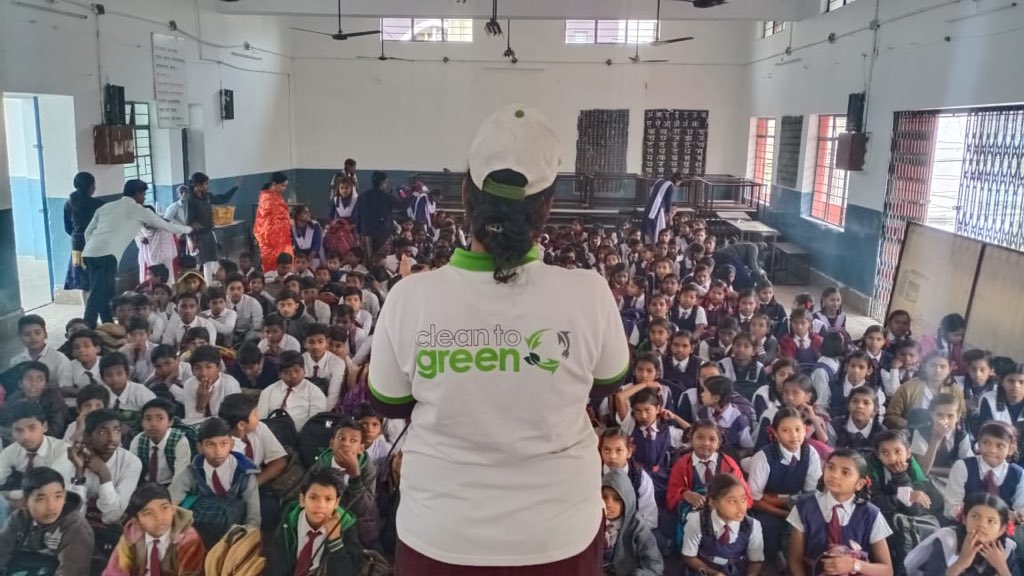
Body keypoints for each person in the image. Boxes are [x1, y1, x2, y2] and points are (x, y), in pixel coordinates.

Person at [369, 106, 630, 573]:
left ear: (465, 196)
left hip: (441, 534)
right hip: (558, 536)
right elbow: (604, 383)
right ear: (547, 207)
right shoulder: (588, 293)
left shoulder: (410, 297)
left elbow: (390, 403)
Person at [81, 180, 192, 327]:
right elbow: (166, 225)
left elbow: (87, 232)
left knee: (106, 290)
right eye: (144, 194)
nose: (144, 198)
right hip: (107, 255)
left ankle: (107, 321)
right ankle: (87, 324)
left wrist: (93, 247)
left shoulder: (106, 207)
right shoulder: (139, 210)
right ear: (137, 194)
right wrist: (189, 229)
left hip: (89, 253)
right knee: (99, 291)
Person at [787, 448, 893, 576]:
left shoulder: (871, 515)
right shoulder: (805, 507)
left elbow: (887, 571)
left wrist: (854, 564)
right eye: (830, 468)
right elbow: (795, 560)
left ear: (860, 484)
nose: (834, 475)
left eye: (845, 472)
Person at [265, 466, 364, 576]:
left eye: (328, 499)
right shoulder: (288, 523)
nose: (320, 505)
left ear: (336, 503)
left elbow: (347, 572)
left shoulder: (346, 527)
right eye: (313, 498)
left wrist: (335, 540)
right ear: (302, 500)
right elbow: (276, 566)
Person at [0, 467, 94, 576]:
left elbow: (71, 572)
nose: (51, 507)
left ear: (64, 497)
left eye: (58, 497)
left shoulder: (76, 527)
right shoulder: (18, 518)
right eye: (41, 499)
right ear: (25, 501)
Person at [102, 482, 207, 576]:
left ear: (173, 509)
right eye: (148, 513)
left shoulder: (188, 539)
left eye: (164, 508)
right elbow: (115, 571)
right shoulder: (131, 537)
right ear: (137, 521)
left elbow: (191, 573)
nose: (159, 518)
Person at [905, 492, 1016, 576]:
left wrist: (1002, 568)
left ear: (1001, 529)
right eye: (975, 516)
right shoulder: (947, 541)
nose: (982, 525)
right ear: (964, 519)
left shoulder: (1006, 549)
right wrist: (961, 562)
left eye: (991, 521)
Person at [680, 473, 764, 576]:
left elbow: (755, 561)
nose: (741, 507)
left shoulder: (752, 526)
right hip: (704, 570)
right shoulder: (697, 521)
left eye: (743, 499)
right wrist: (712, 573)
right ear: (714, 503)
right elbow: (689, 557)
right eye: (732, 501)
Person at [943, 421, 1024, 521]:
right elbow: (951, 507)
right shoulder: (963, 467)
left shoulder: (1018, 474)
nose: (992, 450)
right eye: (986, 443)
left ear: (1011, 449)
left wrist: (1015, 516)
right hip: (965, 524)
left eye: (1000, 446)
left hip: (1004, 526)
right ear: (979, 444)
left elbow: (1021, 509)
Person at [0, 401, 75, 501]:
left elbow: (49, 489)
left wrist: (7, 494)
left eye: (32, 428)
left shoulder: (62, 450)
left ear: (44, 427)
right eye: (18, 430)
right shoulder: (10, 451)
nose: (25, 436)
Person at [600, 469, 664, 576]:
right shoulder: (593, 522)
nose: (608, 504)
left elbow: (654, 566)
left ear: (627, 500)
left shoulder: (637, 526)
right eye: (604, 497)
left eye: (617, 499)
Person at [184, 172, 240, 284]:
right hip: (198, 236)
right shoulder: (190, 199)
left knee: (211, 260)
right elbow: (188, 221)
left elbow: (222, 199)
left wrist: (235, 187)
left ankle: (209, 283)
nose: (207, 186)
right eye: (205, 184)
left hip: (208, 233)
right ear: (198, 185)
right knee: (204, 263)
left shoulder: (207, 196)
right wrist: (190, 239)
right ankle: (205, 285)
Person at [129, 398, 193, 487]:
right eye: (148, 419)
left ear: (170, 422)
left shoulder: (179, 441)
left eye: (160, 418)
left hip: (170, 485)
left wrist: (169, 496)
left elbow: (180, 478)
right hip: (145, 485)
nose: (153, 424)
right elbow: (131, 472)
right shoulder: (138, 440)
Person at [258, 351, 327, 430]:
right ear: (279, 374)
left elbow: (315, 424)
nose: (293, 376)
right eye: (287, 372)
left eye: (297, 370)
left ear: (304, 370)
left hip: (301, 434)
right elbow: (261, 421)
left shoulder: (315, 393)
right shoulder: (268, 391)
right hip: (271, 433)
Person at [63, 171, 104, 291]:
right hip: (96, 244)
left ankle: (86, 302)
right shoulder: (99, 205)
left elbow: (68, 227)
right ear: (91, 187)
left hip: (77, 245)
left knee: (81, 278)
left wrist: (78, 235)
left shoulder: (68, 204)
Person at [4, 362, 67, 438]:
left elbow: (55, 432)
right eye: (29, 379)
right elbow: (5, 423)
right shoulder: (14, 399)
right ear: (20, 383)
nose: (34, 383)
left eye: (40, 380)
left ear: (46, 384)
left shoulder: (55, 400)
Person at [10, 315, 71, 389]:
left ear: (45, 335)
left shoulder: (59, 359)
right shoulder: (16, 361)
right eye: (27, 334)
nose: (33, 337)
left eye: (38, 333)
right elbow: (16, 387)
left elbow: (66, 387)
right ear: (20, 338)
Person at [254, 173, 294, 273]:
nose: (285, 188)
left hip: (282, 237)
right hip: (272, 240)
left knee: (286, 263)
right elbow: (265, 221)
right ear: (274, 184)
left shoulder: (276, 196)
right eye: (283, 185)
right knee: (274, 265)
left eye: (286, 186)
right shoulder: (267, 199)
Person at [355, 170, 401, 255]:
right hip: (383, 233)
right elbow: (402, 206)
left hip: (366, 232)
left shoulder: (362, 196)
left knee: (369, 258)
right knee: (382, 258)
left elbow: (358, 215)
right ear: (383, 182)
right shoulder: (387, 197)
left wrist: (359, 232)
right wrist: (411, 194)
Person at [135, 207, 180, 285]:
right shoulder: (140, 229)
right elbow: (138, 239)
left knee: (165, 282)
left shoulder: (163, 228)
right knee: (149, 283)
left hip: (164, 258)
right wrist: (140, 239)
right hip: (146, 259)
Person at [642, 172, 683, 244]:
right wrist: (670, 218)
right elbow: (668, 202)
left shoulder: (658, 181)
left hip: (648, 208)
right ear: (677, 180)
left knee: (648, 229)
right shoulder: (670, 185)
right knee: (659, 230)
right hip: (658, 209)